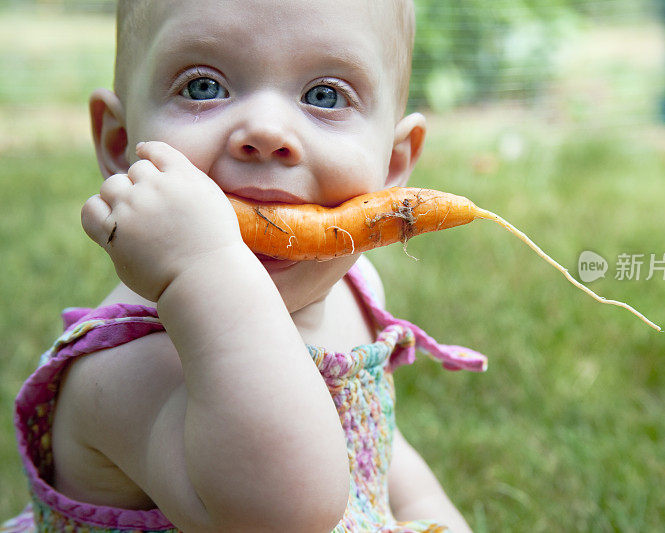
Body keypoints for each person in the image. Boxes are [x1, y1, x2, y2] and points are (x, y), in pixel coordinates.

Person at [2, 0, 488, 531]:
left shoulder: (351, 285)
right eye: (203, 87)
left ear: (393, 165)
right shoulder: (127, 370)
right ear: (120, 145)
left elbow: (383, 455)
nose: (266, 130)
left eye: (324, 95)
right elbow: (284, 515)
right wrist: (206, 268)